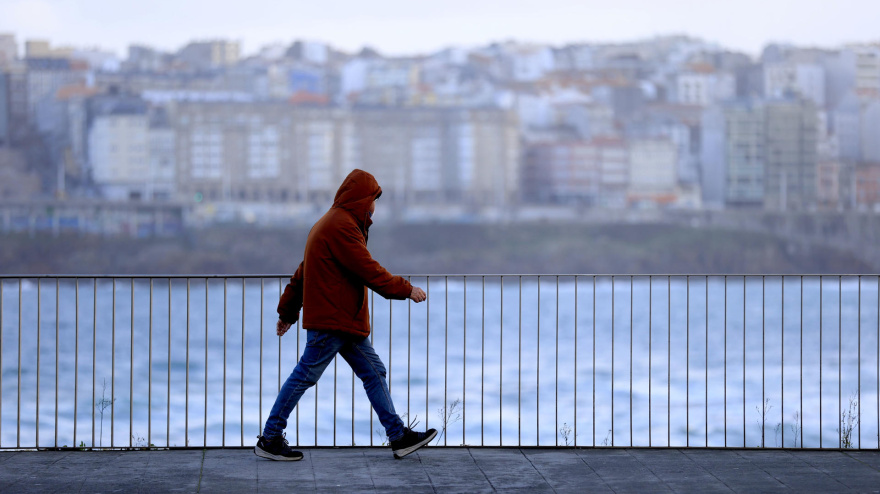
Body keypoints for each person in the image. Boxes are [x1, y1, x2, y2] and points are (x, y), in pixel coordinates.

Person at [255, 169, 437, 461]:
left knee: (374, 371)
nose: (374, 207)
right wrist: (407, 289)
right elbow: (368, 269)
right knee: (305, 375)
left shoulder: (329, 223)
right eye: (373, 199)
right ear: (361, 199)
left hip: (343, 322)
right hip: (333, 322)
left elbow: (302, 274)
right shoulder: (341, 226)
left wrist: (287, 312)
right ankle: (270, 438)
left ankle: (398, 436)